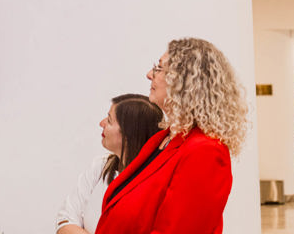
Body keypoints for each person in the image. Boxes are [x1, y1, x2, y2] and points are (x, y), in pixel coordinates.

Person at [95, 38, 249, 234]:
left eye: (158, 68)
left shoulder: (206, 151)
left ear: (184, 82)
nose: (149, 74)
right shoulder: (162, 139)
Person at [56, 94, 162, 233]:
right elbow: (65, 219)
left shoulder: (154, 185)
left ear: (129, 134)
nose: (102, 123)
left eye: (110, 121)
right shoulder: (101, 166)